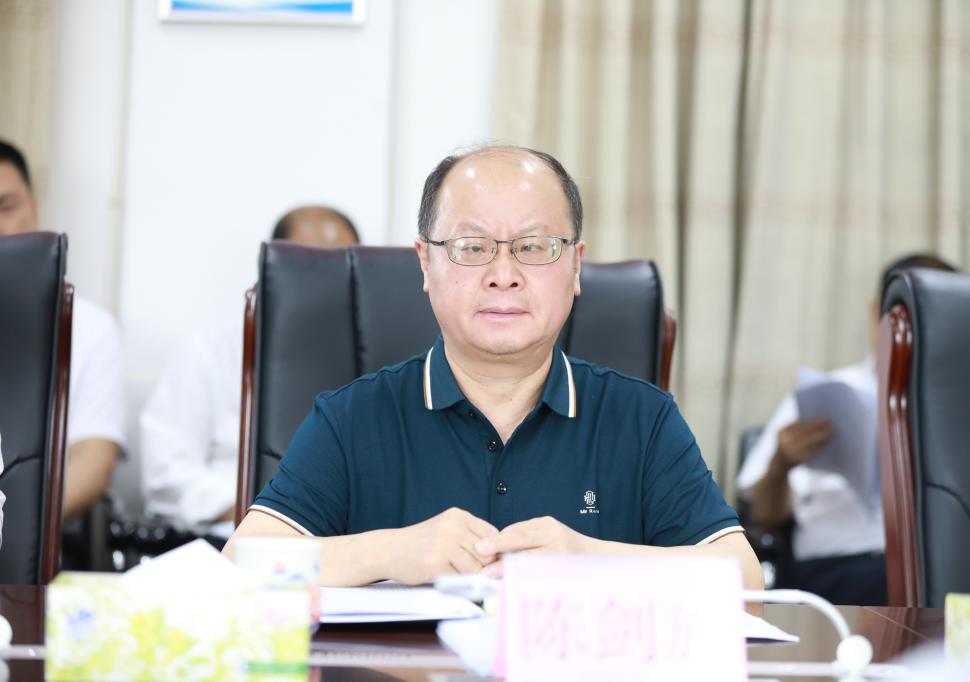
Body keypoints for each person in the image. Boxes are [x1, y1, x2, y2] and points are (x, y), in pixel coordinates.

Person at [224, 145, 762, 591]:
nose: (503, 273)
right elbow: (237, 571)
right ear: (425, 263)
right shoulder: (351, 419)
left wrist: (591, 559)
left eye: (533, 246)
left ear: (575, 265)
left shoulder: (642, 419)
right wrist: (390, 552)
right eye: (472, 246)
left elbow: (744, 583)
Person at [736, 253, 955, 605]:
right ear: (876, 315)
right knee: (897, 587)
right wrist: (781, 465)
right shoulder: (825, 394)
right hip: (837, 568)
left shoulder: (969, 405)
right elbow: (763, 516)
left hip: (937, 567)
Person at [139, 206, 359, 538]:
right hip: (229, 540)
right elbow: (166, 477)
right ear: (272, 273)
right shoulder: (209, 351)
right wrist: (277, 514)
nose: (324, 286)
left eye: (339, 270)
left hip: (349, 545)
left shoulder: (376, 361)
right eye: (311, 268)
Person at [0, 139, 125, 527]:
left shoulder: (89, 328)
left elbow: (94, 460)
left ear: (34, 209)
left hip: (40, 537)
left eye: (6, 207)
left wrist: (19, 529)